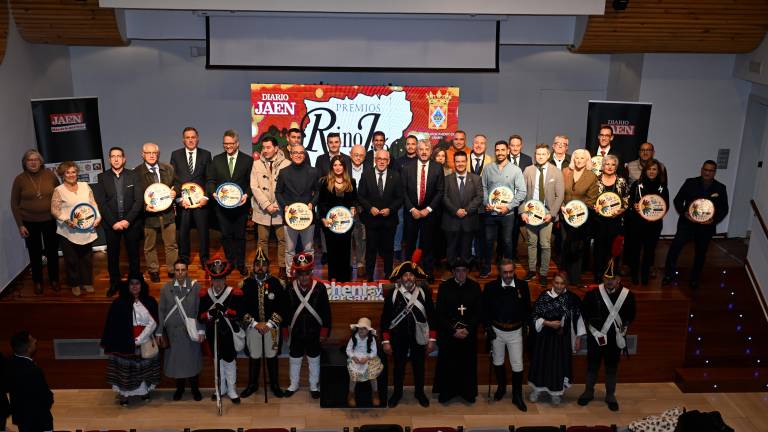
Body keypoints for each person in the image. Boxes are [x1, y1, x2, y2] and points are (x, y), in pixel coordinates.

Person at [578, 261, 636, 411]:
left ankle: (610, 394)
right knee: (592, 366)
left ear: (618, 279)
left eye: (613, 278)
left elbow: (631, 315)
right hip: (596, 337)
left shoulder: (628, 296)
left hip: (614, 339)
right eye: (606, 278)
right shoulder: (593, 294)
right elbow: (585, 313)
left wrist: (622, 330)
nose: (609, 281)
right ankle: (588, 392)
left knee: (611, 367)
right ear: (603, 279)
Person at [380, 254, 436, 408]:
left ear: (415, 277)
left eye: (411, 274)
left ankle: (420, 393)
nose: (409, 278)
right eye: (405, 275)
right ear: (400, 278)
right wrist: (386, 341)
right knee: (399, 367)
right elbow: (385, 320)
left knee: (419, 366)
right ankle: (397, 394)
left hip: (419, 336)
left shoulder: (424, 293)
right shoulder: (393, 294)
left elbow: (432, 316)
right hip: (398, 338)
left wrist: (432, 339)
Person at [663, 160, 729, 288]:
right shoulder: (690, 182)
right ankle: (668, 275)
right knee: (675, 248)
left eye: (710, 170)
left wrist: (713, 220)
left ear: (714, 172)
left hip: (706, 227)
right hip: (687, 224)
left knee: (701, 253)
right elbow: (678, 200)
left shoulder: (720, 188)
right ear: (701, 169)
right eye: (705, 169)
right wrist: (684, 213)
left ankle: (695, 278)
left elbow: (723, 208)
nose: (707, 172)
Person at [101, 276, 161, 406]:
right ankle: (124, 395)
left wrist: (140, 338)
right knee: (125, 370)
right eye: (131, 284)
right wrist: (128, 339)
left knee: (144, 368)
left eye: (137, 283)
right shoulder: (119, 303)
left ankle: (144, 391)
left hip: (144, 340)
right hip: (123, 342)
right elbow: (113, 325)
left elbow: (153, 322)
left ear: (142, 285)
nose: (134, 286)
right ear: (127, 286)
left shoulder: (150, 301)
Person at [527, 272, 585, 405]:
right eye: (556, 283)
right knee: (542, 363)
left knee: (558, 365)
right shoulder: (544, 297)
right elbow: (534, 316)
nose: (559, 286)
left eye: (562, 283)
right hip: (544, 339)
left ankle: (556, 392)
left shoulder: (571, 298)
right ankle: (537, 390)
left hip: (561, 339)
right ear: (552, 283)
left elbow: (578, 319)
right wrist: (548, 323)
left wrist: (578, 338)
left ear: (566, 284)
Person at [481, 259, 531, 411]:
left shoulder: (523, 286)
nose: (509, 275)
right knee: (498, 361)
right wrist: (488, 327)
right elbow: (485, 310)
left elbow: (527, 309)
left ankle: (517, 395)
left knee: (517, 364)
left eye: (511, 272)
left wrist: (526, 325)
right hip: (497, 331)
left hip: (515, 331)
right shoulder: (490, 287)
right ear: (499, 272)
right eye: (505, 272)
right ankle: (501, 388)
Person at [95, 147, 144, 296]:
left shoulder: (134, 175)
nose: (116, 159)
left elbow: (139, 201)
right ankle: (114, 283)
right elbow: (101, 203)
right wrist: (113, 222)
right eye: (113, 156)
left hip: (131, 223)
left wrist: (127, 221)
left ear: (124, 159)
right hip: (111, 225)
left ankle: (135, 284)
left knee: (134, 256)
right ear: (109, 159)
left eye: (119, 156)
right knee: (113, 256)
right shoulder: (102, 177)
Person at [239, 248, 287, 399]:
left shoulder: (277, 283)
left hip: (272, 328)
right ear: (253, 266)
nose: (260, 267)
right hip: (253, 328)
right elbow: (241, 310)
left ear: (268, 266)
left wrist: (270, 324)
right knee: (254, 356)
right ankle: (252, 385)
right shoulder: (245, 284)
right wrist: (254, 324)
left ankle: (274, 385)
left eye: (263, 264)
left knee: (272, 356)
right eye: (257, 264)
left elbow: (283, 307)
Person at [433, 258, 482, 404]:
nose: (461, 274)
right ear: (453, 272)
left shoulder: (475, 287)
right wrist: (452, 330)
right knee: (448, 364)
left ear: (467, 272)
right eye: (458, 271)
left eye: (464, 271)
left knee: (467, 365)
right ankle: (447, 392)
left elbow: (479, 312)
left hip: (468, 334)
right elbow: (440, 313)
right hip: (449, 334)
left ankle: (467, 393)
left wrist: (468, 329)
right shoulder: (444, 287)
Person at [11, 149, 60, 295]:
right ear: (25, 163)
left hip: (49, 220)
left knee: (52, 251)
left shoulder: (50, 175)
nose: (33, 162)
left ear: (41, 161)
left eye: (36, 159)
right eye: (29, 160)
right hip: (29, 222)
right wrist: (20, 224)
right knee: (35, 253)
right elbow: (14, 204)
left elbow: (59, 194)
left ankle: (54, 279)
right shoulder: (19, 179)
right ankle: (37, 281)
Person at [283, 253, 331, 399]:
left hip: (314, 332)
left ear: (311, 272)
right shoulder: (289, 288)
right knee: (295, 359)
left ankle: (314, 386)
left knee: (314, 359)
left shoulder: (320, 288)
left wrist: (324, 333)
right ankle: (294, 384)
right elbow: (285, 312)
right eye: (300, 274)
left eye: (306, 273)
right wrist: (285, 330)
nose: (304, 277)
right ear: (296, 273)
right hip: (296, 332)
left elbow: (326, 313)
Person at [156, 260, 204, 401]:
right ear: (174, 271)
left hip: (190, 332)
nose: (180, 272)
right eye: (177, 270)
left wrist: (201, 330)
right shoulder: (166, 288)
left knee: (192, 362)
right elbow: (162, 311)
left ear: (187, 271)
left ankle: (195, 390)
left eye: (183, 269)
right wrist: (159, 331)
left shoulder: (196, 287)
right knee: (177, 363)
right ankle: (180, 389)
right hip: (173, 334)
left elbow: (200, 310)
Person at [207, 130, 253, 275]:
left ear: (237, 143)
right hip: (222, 207)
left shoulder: (247, 160)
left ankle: (240, 263)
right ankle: (230, 262)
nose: (228, 146)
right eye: (225, 144)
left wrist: (247, 195)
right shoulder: (217, 159)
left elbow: (251, 183)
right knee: (226, 236)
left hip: (241, 206)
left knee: (240, 236)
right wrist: (214, 193)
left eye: (231, 143)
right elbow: (210, 181)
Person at [51, 161, 101, 296]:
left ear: (77, 173)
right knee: (71, 259)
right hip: (68, 231)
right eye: (68, 172)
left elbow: (93, 203)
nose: (71, 175)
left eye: (73, 172)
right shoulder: (58, 190)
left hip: (86, 229)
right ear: (62, 174)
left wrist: (98, 217)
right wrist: (66, 220)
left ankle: (87, 282)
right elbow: (54, 210)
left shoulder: (85, 186)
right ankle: (74, 284)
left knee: (86, 258)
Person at [198, 259, 243, 404]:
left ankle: (231, 390)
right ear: (211, 279)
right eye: (215, 279)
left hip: (228, 333)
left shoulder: (233, 293)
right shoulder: (205, 295)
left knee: (229, 362)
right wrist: (209, 314)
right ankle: (220, 388)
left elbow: (239, 314)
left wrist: (225, 311)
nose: (218, 283)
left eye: (221, 279)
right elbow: (200, 316)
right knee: (217, 362)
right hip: (213, 333)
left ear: (225, 279)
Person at [480, 140, 527, 277]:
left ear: (507, 151)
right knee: (488, 241)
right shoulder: (488, 168)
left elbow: (522, 192)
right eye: (497, 150)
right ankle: (486, 266)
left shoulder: (515, 170)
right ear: (495, 151)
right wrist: (485, 203)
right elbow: (483, 187)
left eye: (502, 150)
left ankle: (508, 269)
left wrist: (509, 207)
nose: (500, 153)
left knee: (507, 242)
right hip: (490, 213)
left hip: (507, 214)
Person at [520, 144, 564, 285]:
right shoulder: (528, 170)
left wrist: (552, 214)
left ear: (548, 155)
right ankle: (532, 270)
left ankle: (544, 272)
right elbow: (521, 192)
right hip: (531, 212)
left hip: (547, 214)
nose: (540, 156)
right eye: (538, 154)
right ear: (535, 155)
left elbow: (560, 195)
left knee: (545, 244)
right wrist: (522, 211)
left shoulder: (556, 172)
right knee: (532, 243)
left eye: (543, 154)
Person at [135, 142, 178, 282]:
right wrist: (144, 207)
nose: (152, 155)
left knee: (171, 244)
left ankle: (172, 269)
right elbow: (134, 195)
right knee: (149, 246)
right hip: (149, 216)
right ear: (143, 154)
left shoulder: (168, 168)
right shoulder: (136, 172)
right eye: (148, 153)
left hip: (168, 214)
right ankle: (153, 270)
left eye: (154, 153)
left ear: (158, 154)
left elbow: (177, 184)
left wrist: (175, 192)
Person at [357, 150, 403, 281]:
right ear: (375, 160)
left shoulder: (396, 176)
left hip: (389, 220)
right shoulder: (366, 175)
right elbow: (360, 196)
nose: (382, 161)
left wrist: (391, 209)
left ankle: (389, 275)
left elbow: (400, 198)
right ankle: (369, 277)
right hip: (372, 220)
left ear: (388, 161)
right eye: (379, 159)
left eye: (385, 159)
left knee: (388, 250)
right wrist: (370, 208)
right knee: (370, 250)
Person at [402, 139, 445, 278]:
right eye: (421, 149)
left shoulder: (437, 167)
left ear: (431, 151)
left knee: (428, 245)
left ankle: (428, 272)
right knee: (409, 245)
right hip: (411, 213)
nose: (424, 151)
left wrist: (428, 209)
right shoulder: (407, 167)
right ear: (416, 151)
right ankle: (408, 272)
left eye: (427, 149)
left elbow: (440, 191)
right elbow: (403, 191)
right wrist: (412, 209)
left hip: (429, 214)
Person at [170, 127, 212, 266]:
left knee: (204, 232)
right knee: (182, 232)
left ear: (197, 138)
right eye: (187, 137)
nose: (190, 140)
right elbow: (173, 179)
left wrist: (205, 197)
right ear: (183, 140)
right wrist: (179, 199)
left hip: (200, 202)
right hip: (184, 203)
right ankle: (184, 258)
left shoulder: (206, 155)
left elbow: (209, 179)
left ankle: (205, 258)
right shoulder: (175, 155)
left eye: (193, 137)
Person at [251, 135, 291, 279]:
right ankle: (262, 266)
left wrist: (277, 204)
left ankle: (282, 266)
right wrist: (267, 205)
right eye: (263, 147)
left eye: (268, 147)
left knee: (283, 240)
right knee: (262, 240)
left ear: (276, 148)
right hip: (262, 209)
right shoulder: (256, 164)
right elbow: (254, 187)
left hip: (279, 209)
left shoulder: (286, 163)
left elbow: (288, 188)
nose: (265, 150)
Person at [276, 143, 319, 273]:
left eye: (301, 153)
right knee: (289, 249)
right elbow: (278, 192)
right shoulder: (283, 172)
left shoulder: (313, 171)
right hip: (290, 217)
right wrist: (285, 206)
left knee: (308, 249)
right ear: (291, 154)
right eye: (295, 153)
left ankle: (309, 272)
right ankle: (290, 274)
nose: (298, 155)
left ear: (304, 155)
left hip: (308, 217)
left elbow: (318, 191)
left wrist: (313, 203)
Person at [625, 160, 669, 285]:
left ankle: (645, 277)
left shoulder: (662, 187)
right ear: (645, 171)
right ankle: (634, 275)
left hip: (654, 225)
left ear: (658, 171)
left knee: (649, 251)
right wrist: (635, 207)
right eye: (649, 169)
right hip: (637, 223)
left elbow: (666, 206)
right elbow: (630, 204)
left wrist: (658, 212)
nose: (651, 171)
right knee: (635, 250)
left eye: (654, 169)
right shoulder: (636, 185)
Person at [560, 149, 599, 285]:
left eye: (582, 158)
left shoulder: (592, 176)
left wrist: (578, 211)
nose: (578, 160)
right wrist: (561, 206)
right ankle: (563, 275)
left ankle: (575, 278)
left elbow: (591, 199)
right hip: (564, 214)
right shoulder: (565, 171)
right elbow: (559, 192)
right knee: (565, 243)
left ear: (587, 160)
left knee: (577, 246)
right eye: (576, 158)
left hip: (581, 217)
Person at [319, 155, 358, 282]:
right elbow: (321, 203)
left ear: (344, 167)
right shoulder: (325, 182)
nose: (338, 167)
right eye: (335, 165)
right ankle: (333, 279)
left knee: (345, 252)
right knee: (332, 252)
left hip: (346, 225)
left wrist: (353, 207)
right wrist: (323, 219)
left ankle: (345, 279)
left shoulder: (351, 182)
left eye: (340, 165)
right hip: (330, 224)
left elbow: (354, 200)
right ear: (331, 167)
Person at [6, 331, 54, 432]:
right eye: (32, 341)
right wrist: (50, 397)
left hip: (21, 418)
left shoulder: (9, 364)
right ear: (27, 348)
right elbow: (45, 398)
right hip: (38, 420)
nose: (35, 341)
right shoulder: (33, 370)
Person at [592, 155, 629, 283]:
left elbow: (626, 200)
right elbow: (591, 199)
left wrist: (621, 210)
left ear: (616, 167)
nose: (610, 167)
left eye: (613, 164)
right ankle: (598, 274)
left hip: (616, 221)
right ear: (602, 166)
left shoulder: (622, 181)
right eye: (607, 164)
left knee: (614, 248)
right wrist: (594, 207)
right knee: (599, 249)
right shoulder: (595, 181)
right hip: (599, 221)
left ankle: (611, 273)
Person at [442, 152, 483, 264]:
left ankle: (465, 272)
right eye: (457, 161)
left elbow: (479, 197)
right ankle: (451, 270)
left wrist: (466, 210)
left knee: (467, 248)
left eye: (462, 161)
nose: (460, 164)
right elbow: (444, 197)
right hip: (451, 219)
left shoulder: (476, 179)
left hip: (469, 220)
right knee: (451, 248)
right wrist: (455, 210)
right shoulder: (446, 179)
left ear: (466, 162)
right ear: (454, 163)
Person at [345, 317, 383, 407]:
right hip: (356, 358)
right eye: (360, 328)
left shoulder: (371, 339)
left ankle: (375, 393)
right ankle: (351, 393)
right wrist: (353, 357)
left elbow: (374, 352)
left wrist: (367, 358)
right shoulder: (353, 338)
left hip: (368, 358)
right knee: (353, 376)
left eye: (364, 329)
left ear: (368, 331)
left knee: (373, 375)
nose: (361, 330)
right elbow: (348, 350)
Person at [469, 135, 493, 272]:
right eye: (476, 142)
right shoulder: (465, 158)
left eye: (482, 143)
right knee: (467, 234)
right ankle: (469, 260)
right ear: (473, 144)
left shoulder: (491, 161)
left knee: (481, 235)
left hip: (483, 205)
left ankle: (479, 260)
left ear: (486, 145)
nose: (479, 145)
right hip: (467, 203)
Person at [508, 135, 532, 262]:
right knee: (505, 229)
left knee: (516, 229)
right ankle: (504, 254)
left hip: (521, 200)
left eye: (518, 145)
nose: (515, 148)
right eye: (513, 145)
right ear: (509, 146)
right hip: (506, 200)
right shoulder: (503, 158)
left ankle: (513, 253)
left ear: (521, 145)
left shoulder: (527, 159)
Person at [349, 145, 367, 275]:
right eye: (356, 155)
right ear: (350, 155)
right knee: (347, 239)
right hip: (347, 209)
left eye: (361, 155)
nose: (358, 157)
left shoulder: (369, 170)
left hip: (363, 209)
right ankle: (349, 264)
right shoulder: (343, 169)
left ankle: (361, 263)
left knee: (362, 238)